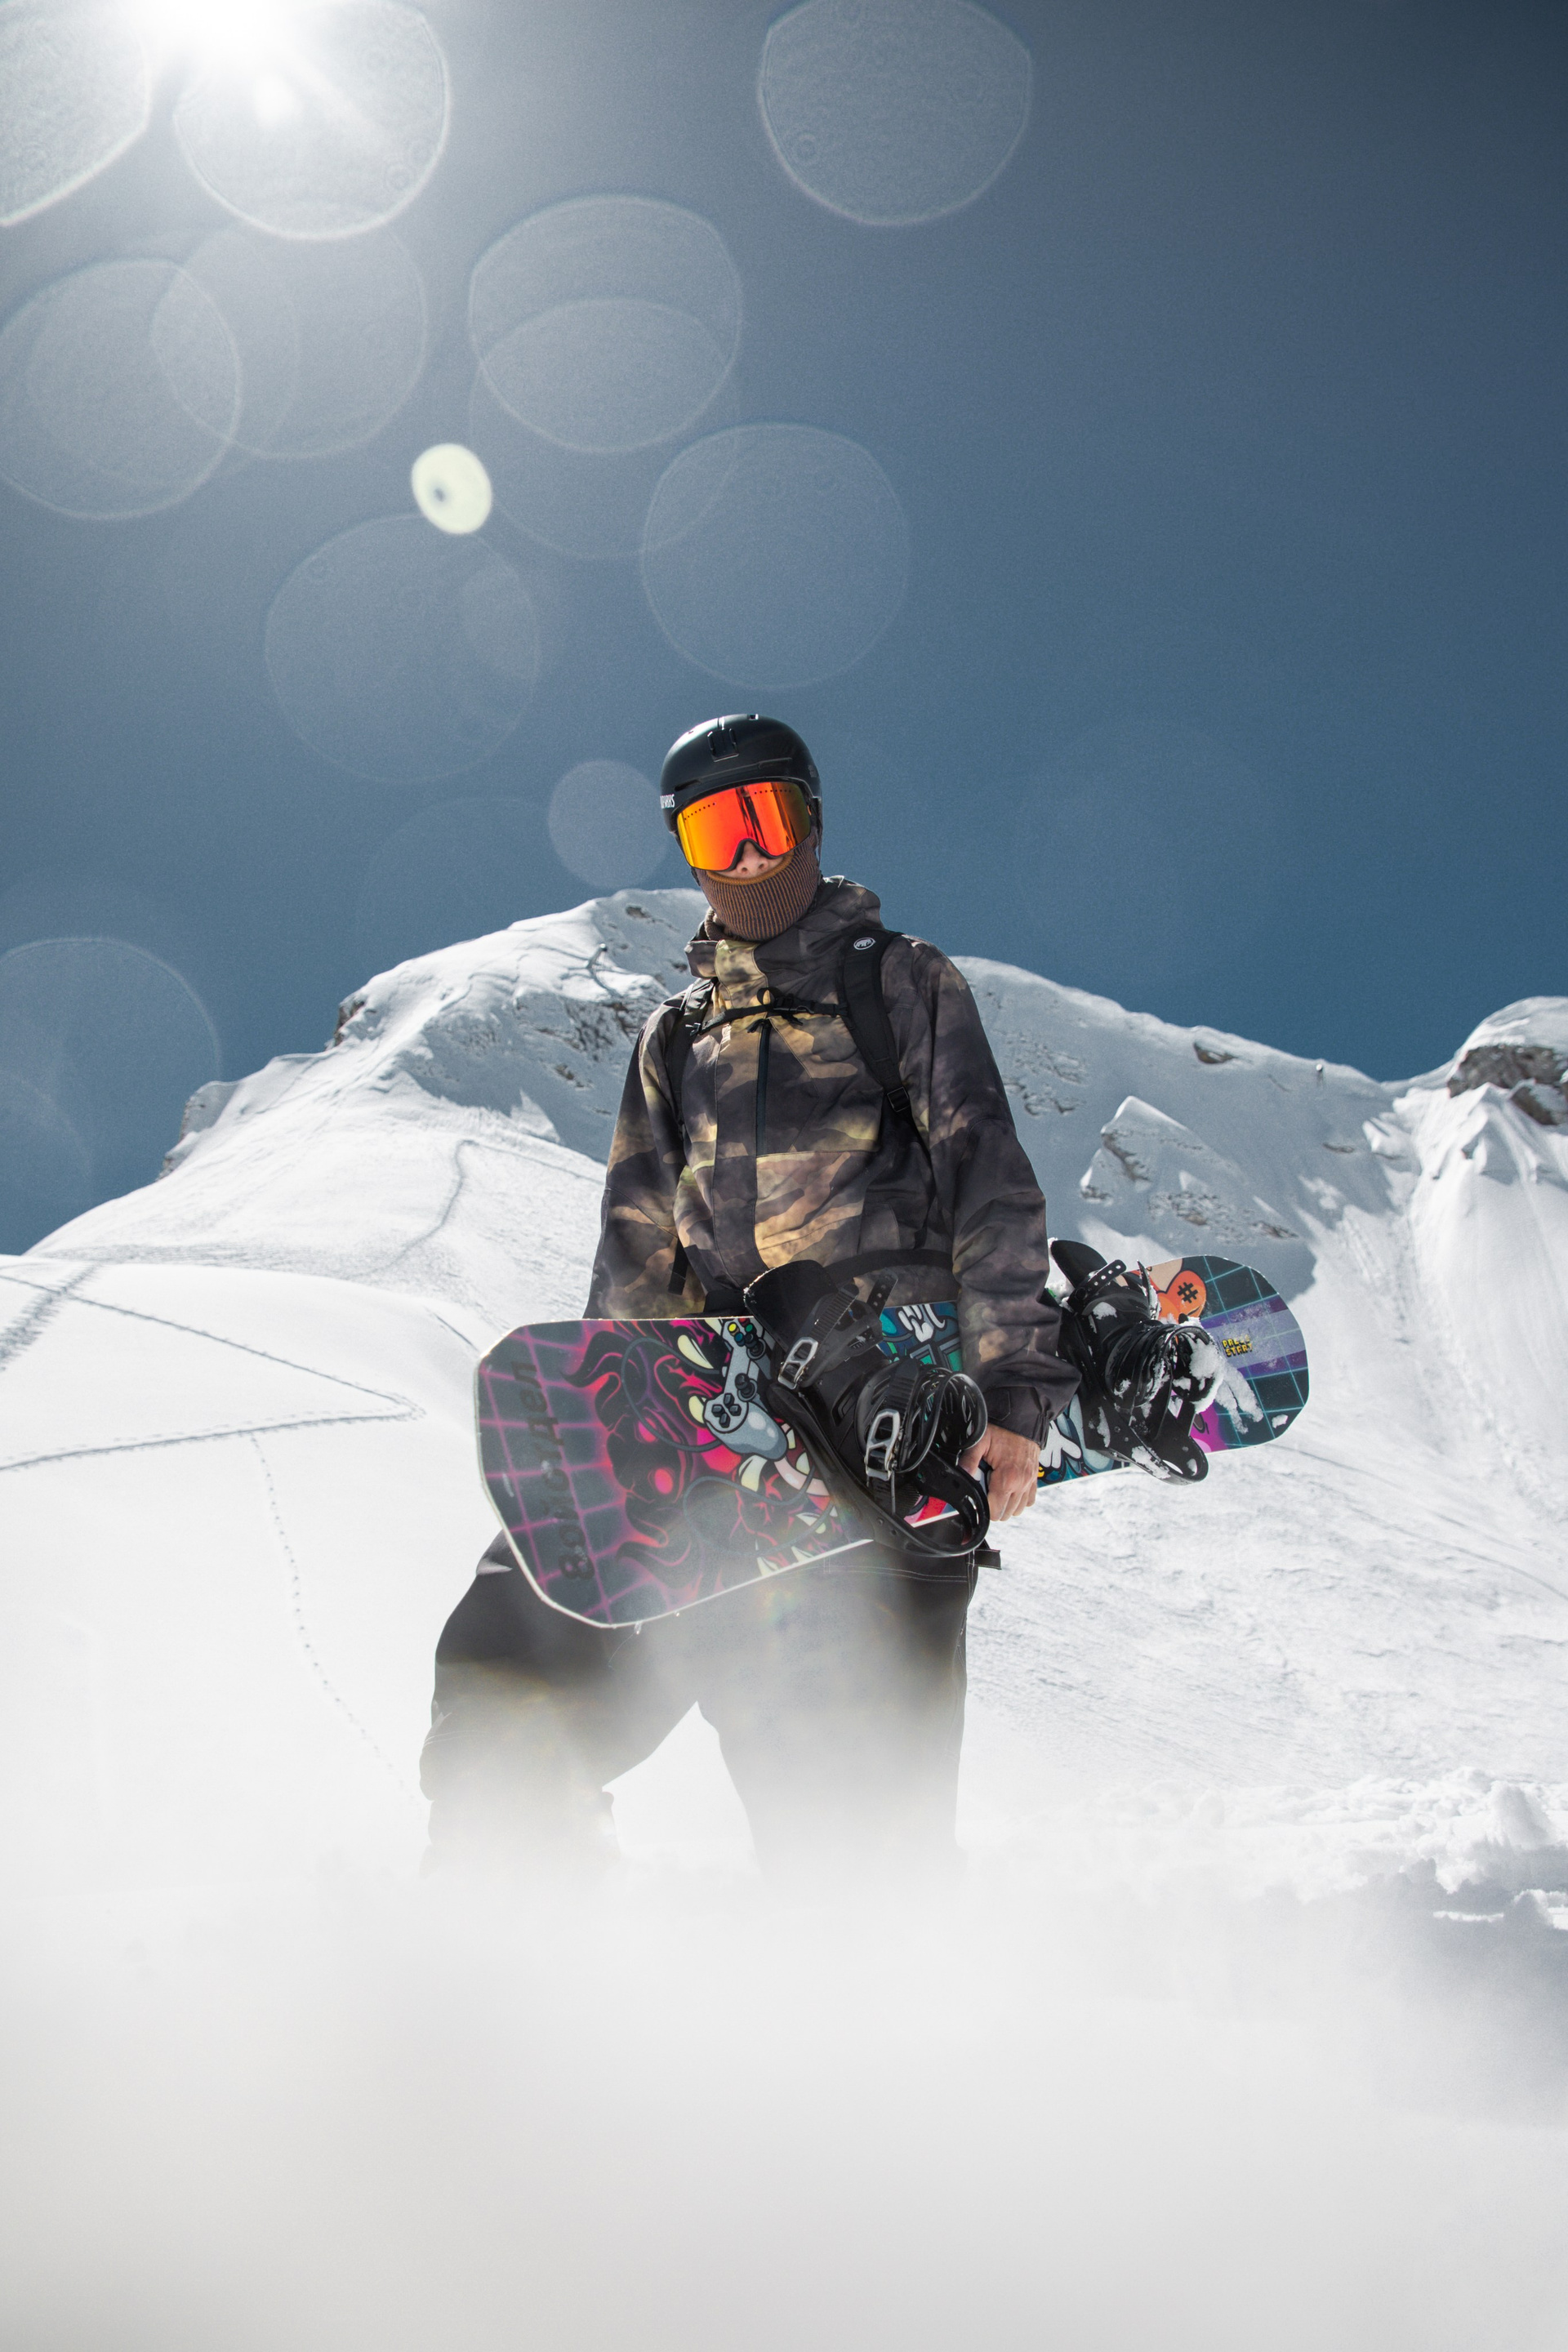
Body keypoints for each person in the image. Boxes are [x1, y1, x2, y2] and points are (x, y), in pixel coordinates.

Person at [421, 715, 1078, 1891]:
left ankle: (866, 1975)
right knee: (512, 1655)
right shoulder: (676, 1038)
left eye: (765, 819)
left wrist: (1014, 1396)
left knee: (852, 1818)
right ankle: (503, 1911)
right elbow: (638, 1241)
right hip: (722, 1414)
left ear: (811, 822)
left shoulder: (897, 982)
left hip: (885, 1435)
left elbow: (989, 1178)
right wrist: (613, 1415)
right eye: (712, 831)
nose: (745, 856)